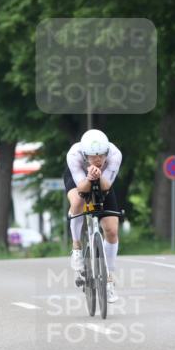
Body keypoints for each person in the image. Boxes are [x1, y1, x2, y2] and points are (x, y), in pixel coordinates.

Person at [64, 129, 122, 302]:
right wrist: (89, 178)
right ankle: (76, 247)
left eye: (102, 156)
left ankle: (109, 279)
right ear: (84, 155)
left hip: (104, 182)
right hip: (80, 179)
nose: (98, 160)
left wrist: (97, 176)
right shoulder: (74, 155)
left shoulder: (114, 154)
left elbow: (106, 187)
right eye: (93, 156)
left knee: (111, 230)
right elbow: (82, 188)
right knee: (77, 203)